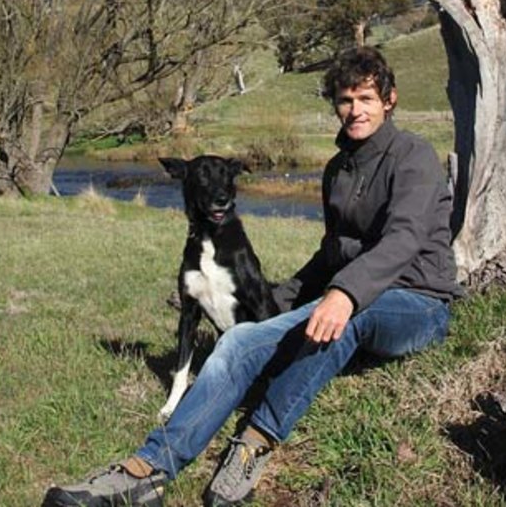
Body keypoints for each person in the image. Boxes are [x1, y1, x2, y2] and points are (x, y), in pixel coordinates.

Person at [42, 46, 462, 507]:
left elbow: (403, 239)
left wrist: (344, 294)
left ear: (389, 100)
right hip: (356, 294)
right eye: (345, 100)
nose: (354, 110)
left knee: (345, 319)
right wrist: (276, 297)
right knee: (239, 341)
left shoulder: (414, 156)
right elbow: (330, 253)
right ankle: (147, 471)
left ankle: (254, 444)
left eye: (365, 98)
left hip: (417, 301)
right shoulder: (337, 170)